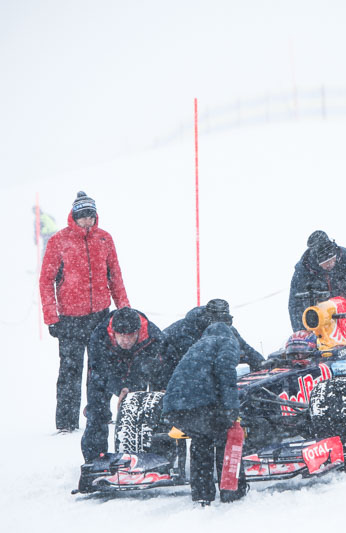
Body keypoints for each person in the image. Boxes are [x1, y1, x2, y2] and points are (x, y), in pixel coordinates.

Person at [39, 191, 130, 433]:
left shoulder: (105, 239)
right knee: (70, 372)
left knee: (100, 369)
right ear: (74, 216)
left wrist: (124, 310)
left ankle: (99, 415)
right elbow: (46, 280)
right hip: (69, 320)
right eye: (83, 217)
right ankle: (67, 424)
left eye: (91, 216)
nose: (88, 221)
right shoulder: (59, 241)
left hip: (100, 316)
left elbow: (115, 277)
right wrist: (51, 317)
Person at [162, 321, 242, 505]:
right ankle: (230, 491)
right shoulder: (226, 341)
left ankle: (202, 493)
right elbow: (226, 372)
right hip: (199, 405)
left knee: (201, 441)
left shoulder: (197, 346)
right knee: (224, 438)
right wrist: (231, 407)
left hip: (174, 407)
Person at [80, 307, 166, 462]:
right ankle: (94, 460)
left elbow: (156, 368)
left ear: (139, 332)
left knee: (142, 413)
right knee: (96, 412)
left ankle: (146, 456)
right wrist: (119, 388)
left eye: (131, 336)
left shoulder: (153, 337)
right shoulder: (99, 336)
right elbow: (99, 370)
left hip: (138, 369)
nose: (126, 340)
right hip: (108, 369)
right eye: (122, 336)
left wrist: (135, 391)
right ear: (113, 332)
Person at [160, 298, 265, 386]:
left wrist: (261, 362)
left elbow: (245, 348)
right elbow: (195, 363)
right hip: (165, 364)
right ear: (208, 320)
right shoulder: (186, 331)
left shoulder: (226, 327)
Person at [287, 230, 346, 331]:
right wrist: (300, 330)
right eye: (326, 262)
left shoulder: (345, 256)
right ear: (316, 260)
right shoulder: (303, 270)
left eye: (332, 259)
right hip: (319, 320)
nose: (330, 264)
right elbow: (295, 304)